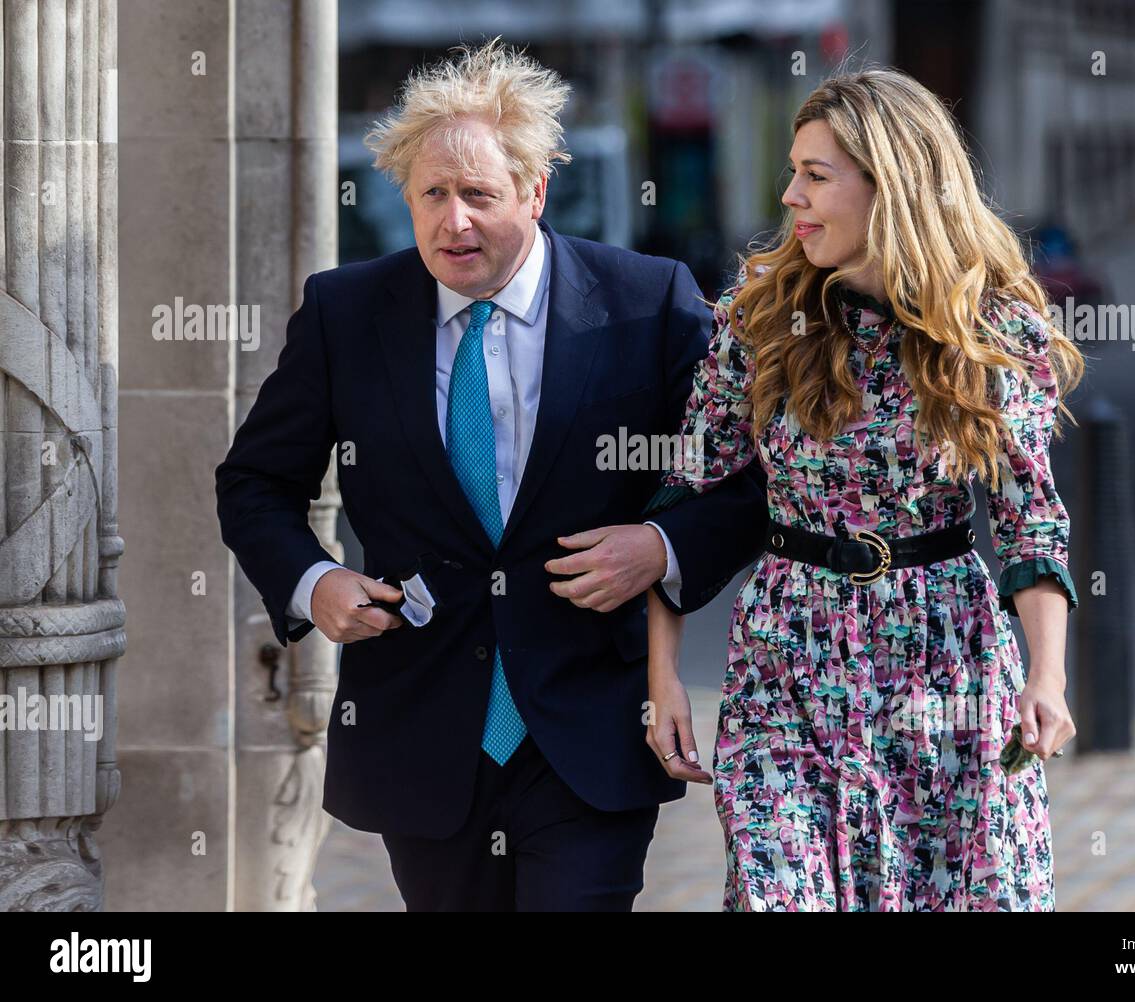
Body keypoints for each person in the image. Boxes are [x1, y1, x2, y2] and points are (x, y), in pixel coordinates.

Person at [214, 37, 766, 911]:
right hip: (423, 729)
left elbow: (745, 481)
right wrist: (313, 582)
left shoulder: (646, 302)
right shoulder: (345, 313)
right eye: (432, 194)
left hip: (590, 726)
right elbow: (253, 483)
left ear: (536, 191)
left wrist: (660, 546)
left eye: (478, 194)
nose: (452, 220)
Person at [642, 67, 1085, 911]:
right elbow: (684, 494)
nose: (790, 196)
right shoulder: (761, 318)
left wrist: (1048, 678)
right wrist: (662, 679)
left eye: (816, 175)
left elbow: (1032, 526)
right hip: (789, 660)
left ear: (894, 184)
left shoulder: (994, 332)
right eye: (792, 173)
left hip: (946, 660)